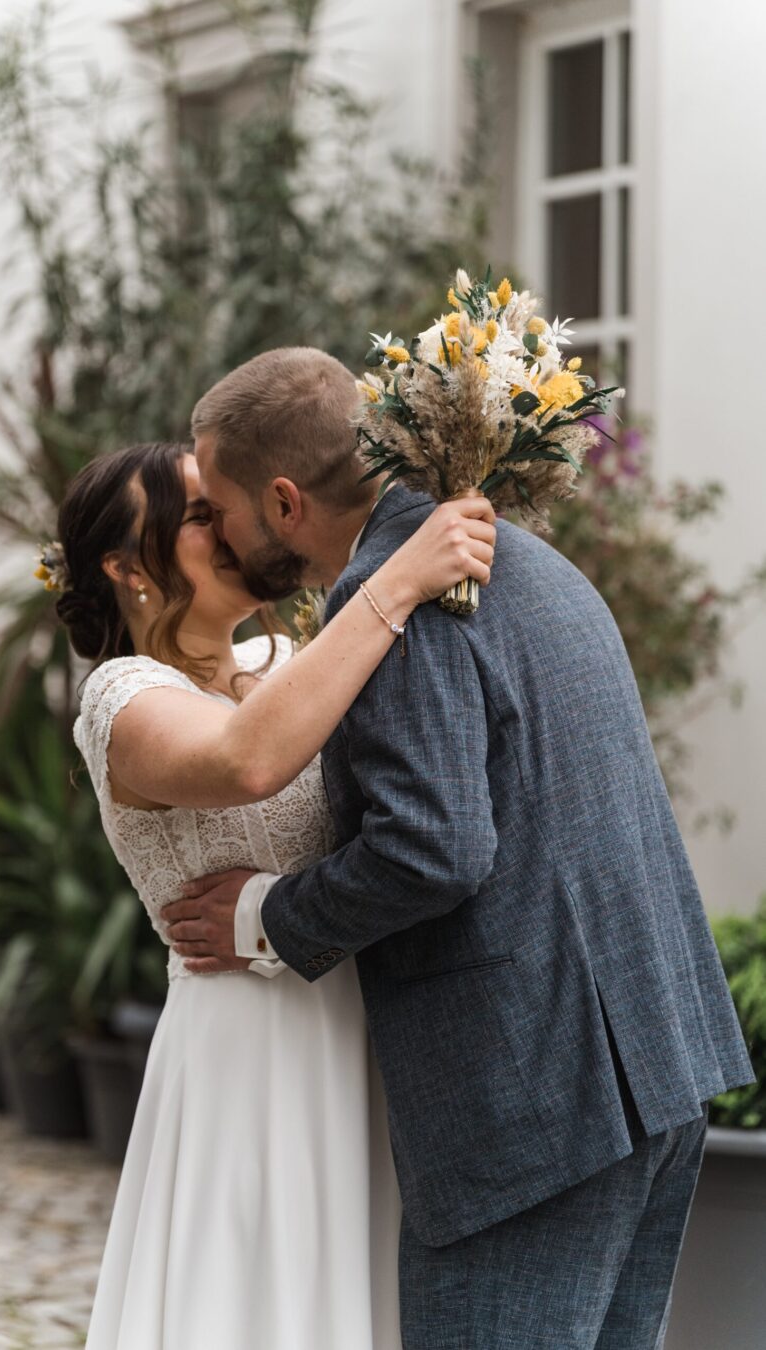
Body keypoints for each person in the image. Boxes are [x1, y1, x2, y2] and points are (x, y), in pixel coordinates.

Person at [163, 345, 755, 1350]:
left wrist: (264, 915)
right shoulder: (520, 556)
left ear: (284, 499)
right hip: (653, 1066)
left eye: (218, 509)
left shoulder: (399, 605)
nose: (215, 535)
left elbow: (433, 847)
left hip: (532, 1106)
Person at [54, 436, 497, 1349]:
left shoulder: (291, 654)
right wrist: (400, 579)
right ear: (124, 565)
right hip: (247, 1055)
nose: (227, 526)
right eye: (196, 513)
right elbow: (245, 760)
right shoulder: (121, 698)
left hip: (370, 1033)